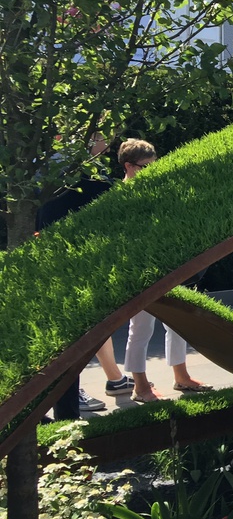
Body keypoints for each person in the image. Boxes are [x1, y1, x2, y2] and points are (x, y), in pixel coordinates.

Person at [35, 132, 132, 416]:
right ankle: (68, 399)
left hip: (62, 257)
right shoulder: (81, 174)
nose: (108, 140)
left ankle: (110, 380)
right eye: (101, 134)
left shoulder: (53, 170)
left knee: (87, 327)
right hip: (73, 261)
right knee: (75, 330)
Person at [117, 139, 212, 402]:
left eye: (154, 166)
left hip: (167, 266)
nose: (152, 171)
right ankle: (140, 386)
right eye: (145, 167)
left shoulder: (157, 190)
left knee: (177, 322)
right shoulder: (121, 197)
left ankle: (181, 377)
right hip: (140, 269)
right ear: (128, 166)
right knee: (141, 327)